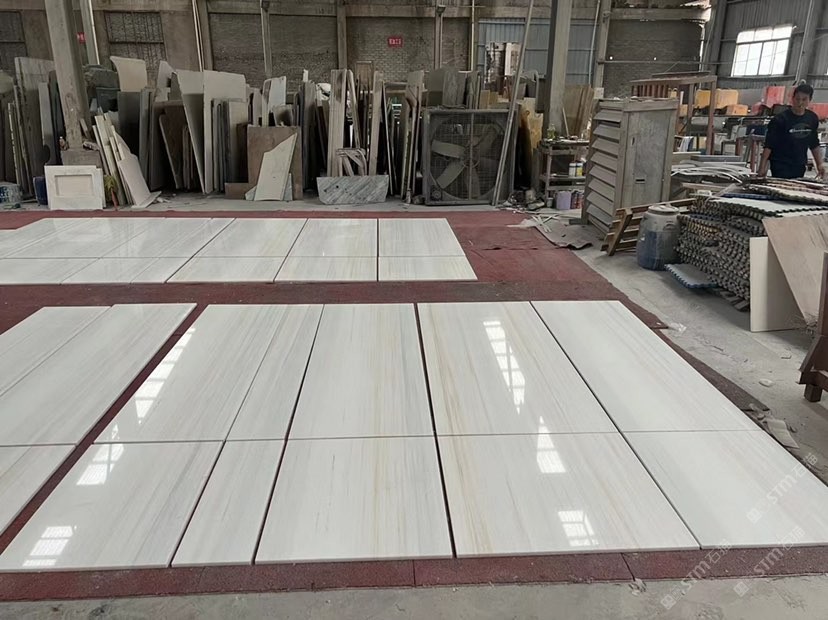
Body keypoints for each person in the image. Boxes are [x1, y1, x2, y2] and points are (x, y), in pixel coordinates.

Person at [758, 83, 826, 180]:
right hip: (780, 164)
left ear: (809, 100)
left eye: (804, 99)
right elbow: (769, 145)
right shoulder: (780, 119)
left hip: (799, 164)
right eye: (797, 99)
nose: (800, 102)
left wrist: (820, 164)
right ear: (793, 99)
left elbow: (814, 144)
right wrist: (762, 168)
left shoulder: (812, 118)